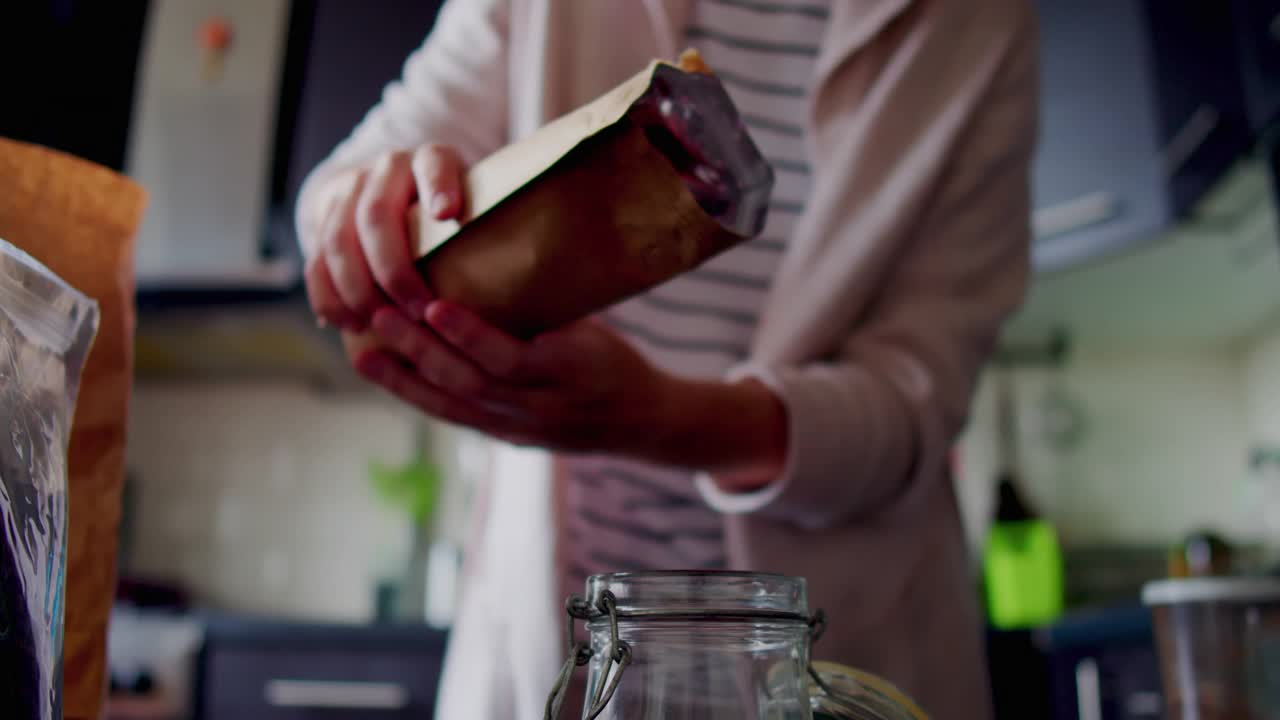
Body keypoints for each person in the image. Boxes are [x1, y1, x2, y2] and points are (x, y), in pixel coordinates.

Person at [295, 1, 1037, 717]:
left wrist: (656, 420)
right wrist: (352, 211)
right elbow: (356, 175)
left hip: (836, 654)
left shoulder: (975, 18)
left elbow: (913, 407)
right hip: (567, 647)